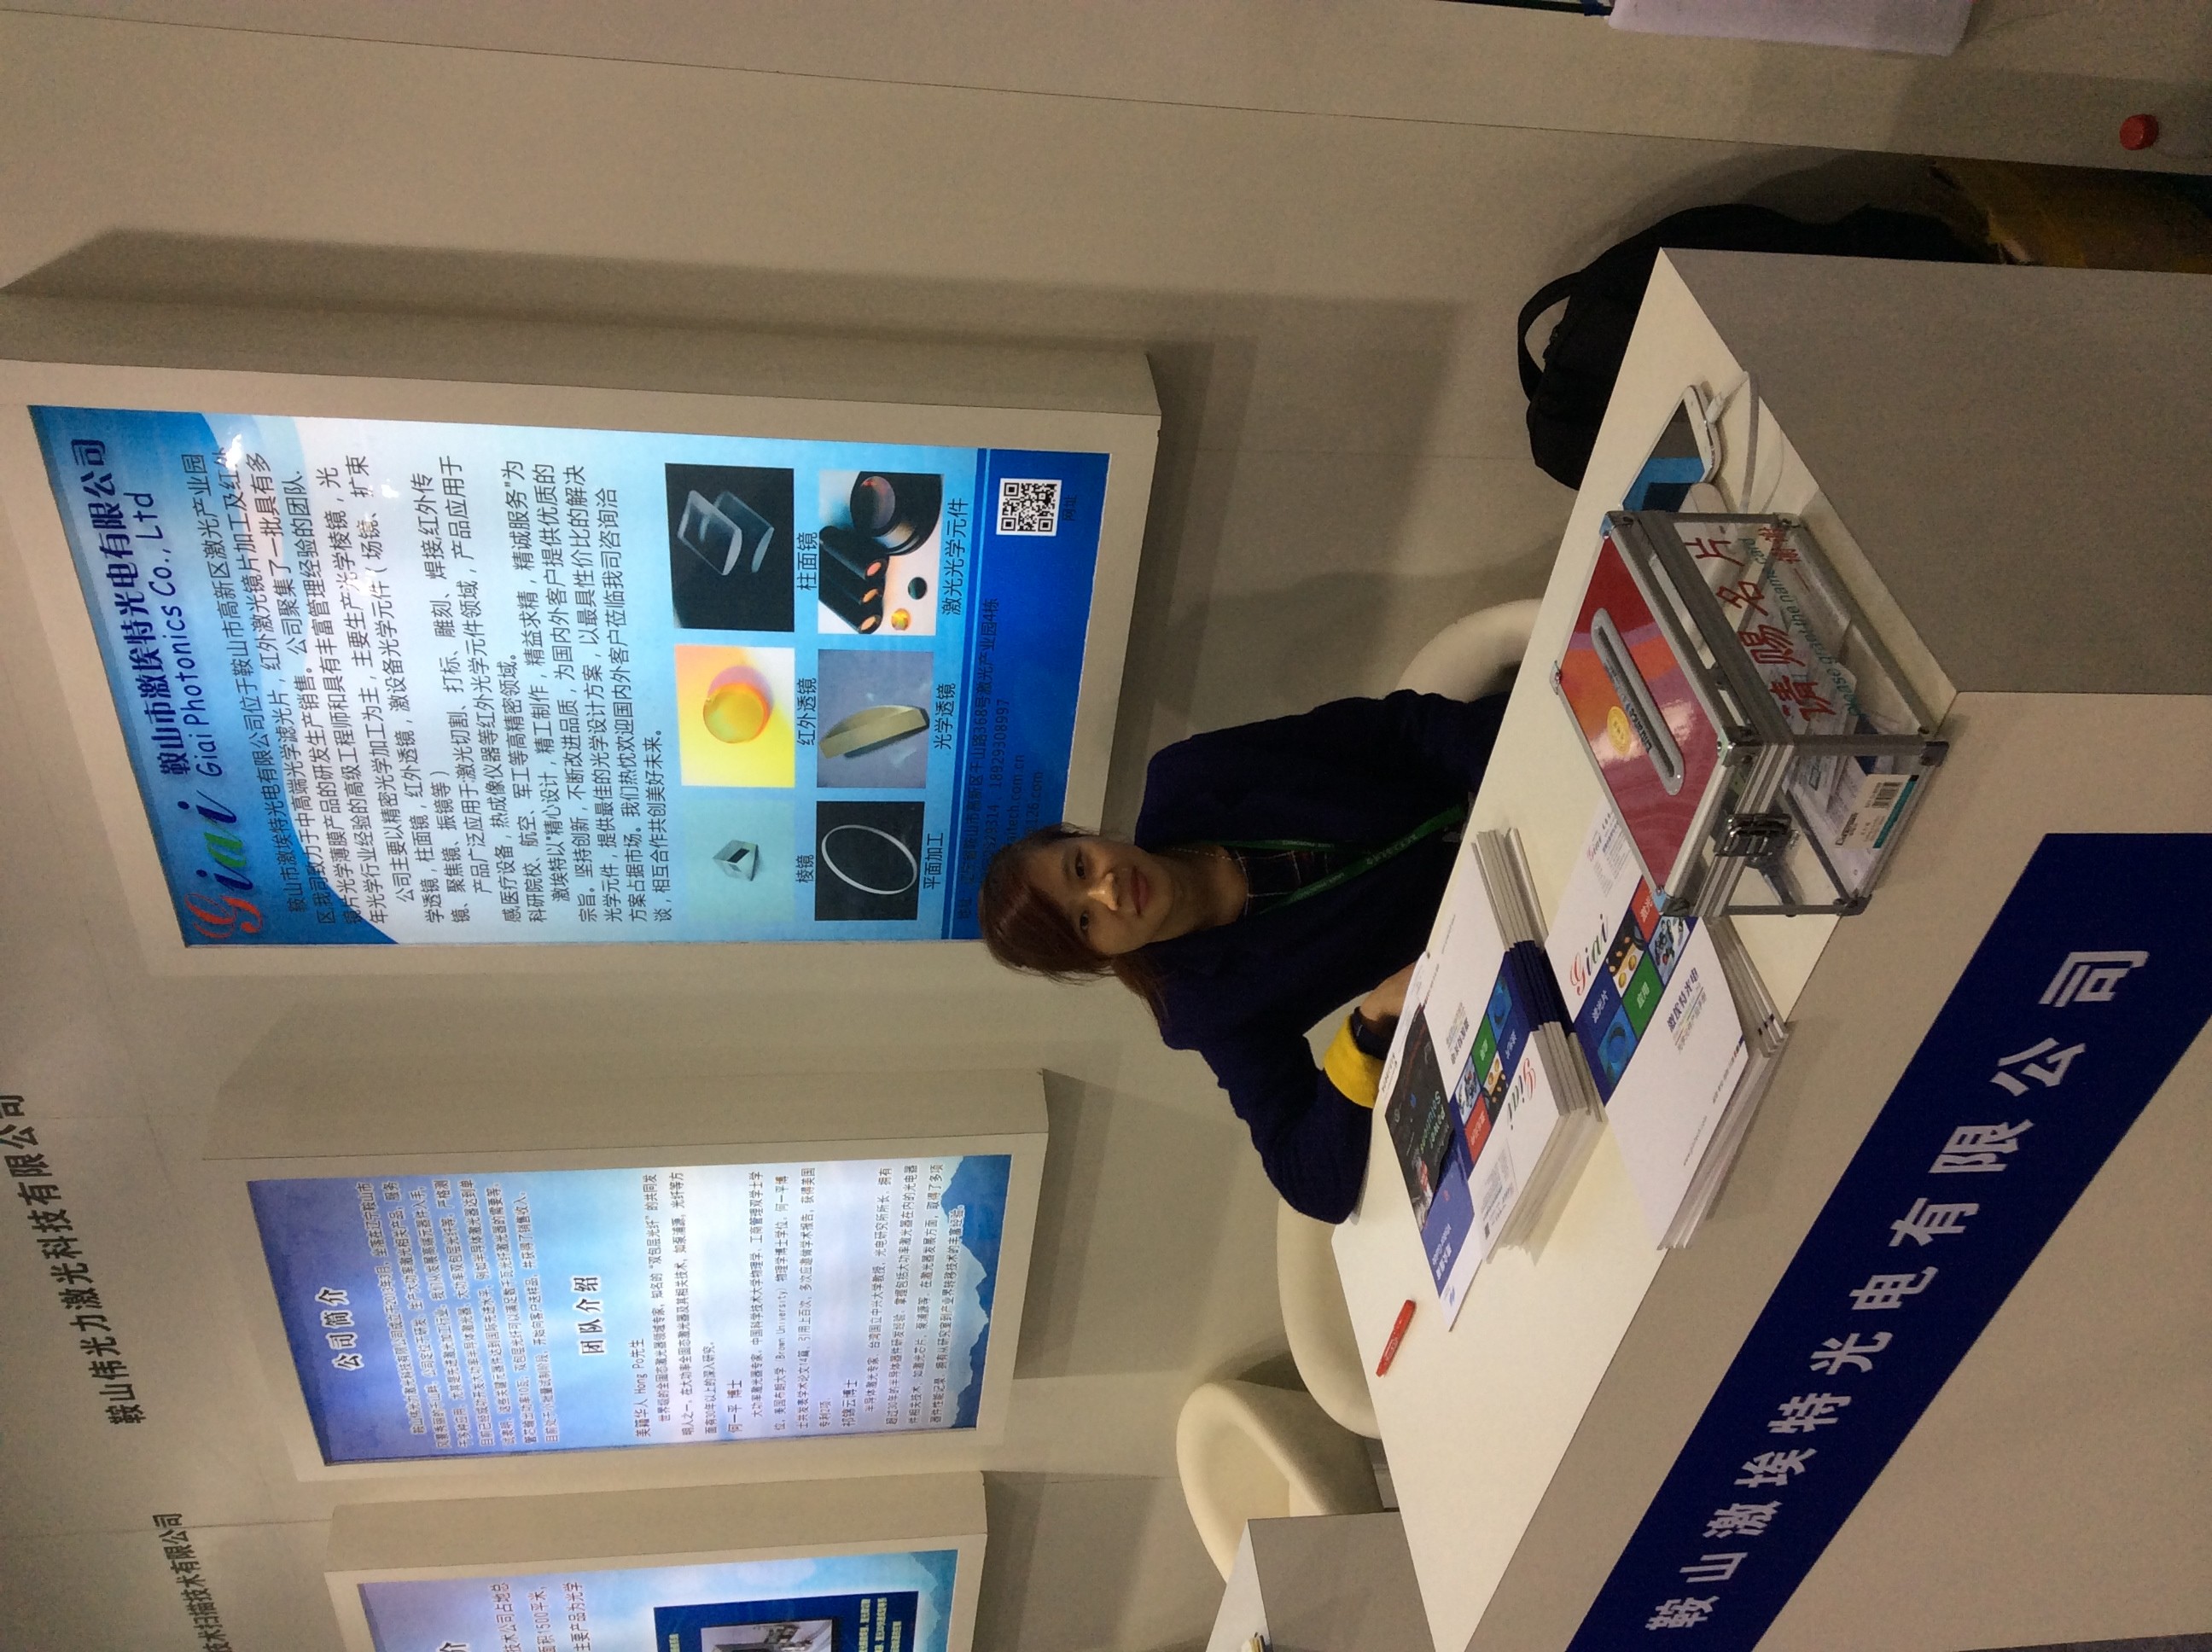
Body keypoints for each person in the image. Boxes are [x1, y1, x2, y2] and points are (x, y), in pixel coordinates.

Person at [978, 689, 1509, 1222]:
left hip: (1495, 761)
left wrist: (1509, 785)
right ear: (1099, 958)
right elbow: (1314, 1183)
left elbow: (1393, 727)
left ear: (1085, 837)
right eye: (1085, 922)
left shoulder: (1187, 777)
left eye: (1080, 867)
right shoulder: (1200, 1004)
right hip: (1490, 920)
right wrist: (1367, 1027)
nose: (1108, 891)